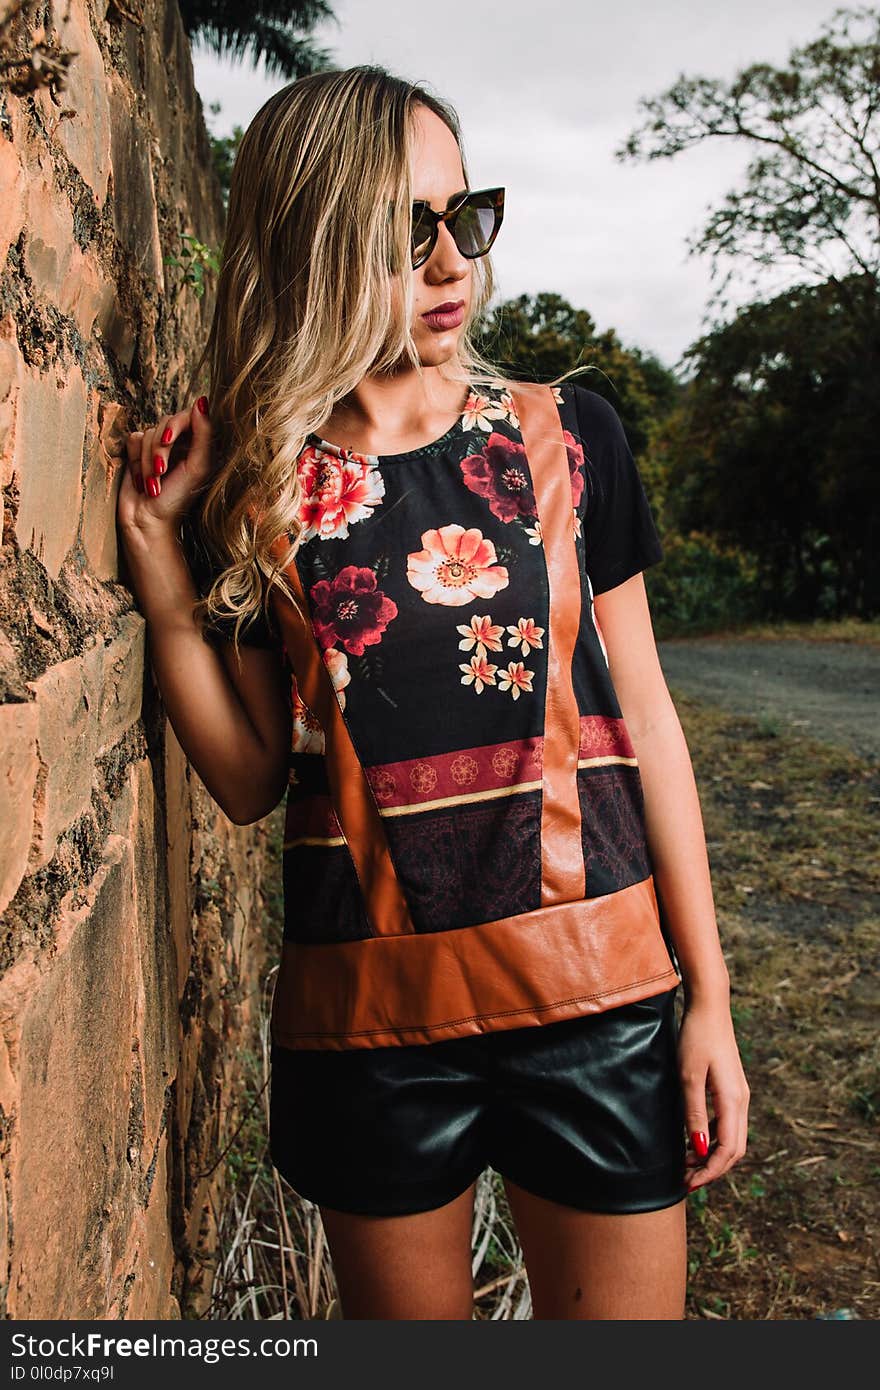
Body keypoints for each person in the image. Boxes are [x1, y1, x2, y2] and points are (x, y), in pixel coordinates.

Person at [117, 64, 750, 1320]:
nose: (454, 260)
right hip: (371, 1034)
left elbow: (652, 723)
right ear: (312, 245)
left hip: (602, 1001)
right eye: (406, 235)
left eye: (465, 216)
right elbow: (248, 780)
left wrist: (711, 1002)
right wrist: (161, 576)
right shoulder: (258, 487)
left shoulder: (571, 438)